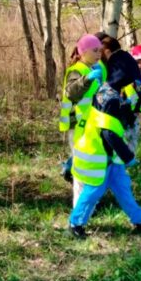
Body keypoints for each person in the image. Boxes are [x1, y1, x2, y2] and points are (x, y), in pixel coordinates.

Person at [68, 48, 141, 239]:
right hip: (99, 155)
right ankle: (75, 224)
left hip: (110, 157)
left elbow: (110, 118)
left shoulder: (106, 90)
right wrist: (128, 157)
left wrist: (126, 107)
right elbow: (108, 133)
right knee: (93, 192)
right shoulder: (111, 98)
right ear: (123, 75)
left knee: (123, 188)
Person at [59, 35, 106, 198]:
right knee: (81, 166)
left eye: (100, 50)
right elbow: (71, 93)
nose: (99, 53)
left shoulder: (95, 68)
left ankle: (89, 200)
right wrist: (87, 79)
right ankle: (80, 205)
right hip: (77, 125)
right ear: (83, 52)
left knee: (90, 163)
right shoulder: (77, 70)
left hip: (91, 124)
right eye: (95, 50)